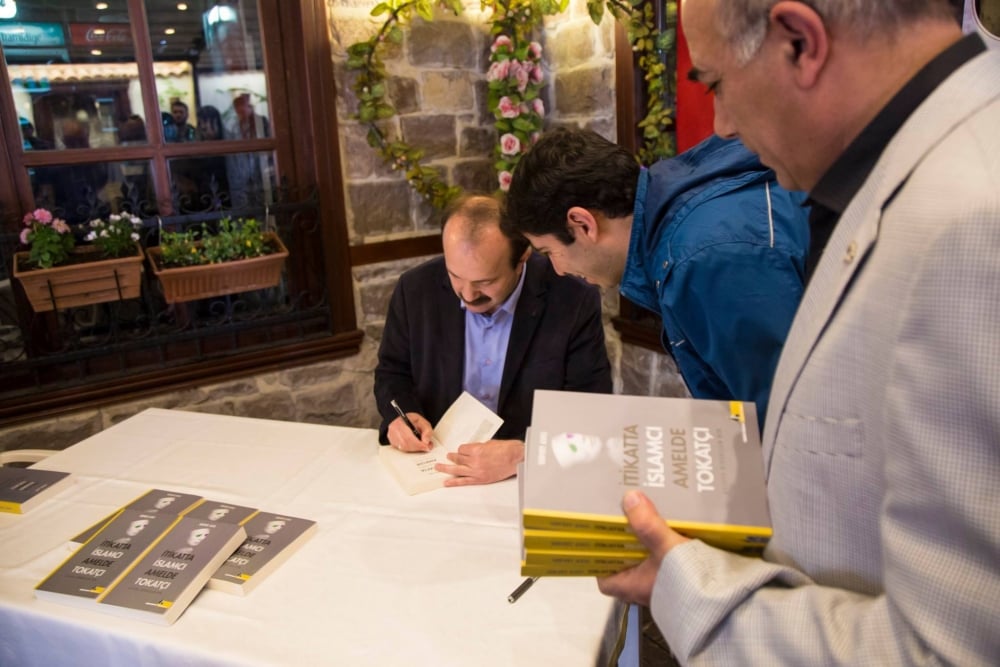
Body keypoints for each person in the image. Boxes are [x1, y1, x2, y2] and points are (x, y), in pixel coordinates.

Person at [596, 1, 1000, 664]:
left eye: (717, 83)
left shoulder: (970, 223)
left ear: (799, 42)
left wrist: (691, 588)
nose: (721, 125)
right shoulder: (897, 179)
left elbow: (951, 650)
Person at [504, 127, 809, 425]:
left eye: (549, 251)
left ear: (582, 224)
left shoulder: (701, 260)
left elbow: (789, 423)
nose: (559, 270)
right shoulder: (680, 198)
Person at [374, 193, 612, 486]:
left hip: (524, 479)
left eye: (485, 282)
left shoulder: (572, 298)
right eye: (455, 276)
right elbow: (393, 372)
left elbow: (589, 409)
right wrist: (402, 415)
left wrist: (525, 454)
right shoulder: (415, 289)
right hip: (437, 473)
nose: (467, 294)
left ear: (523, 256)